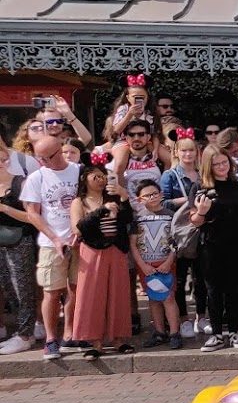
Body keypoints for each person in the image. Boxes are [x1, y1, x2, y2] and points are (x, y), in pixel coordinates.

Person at [20, 135, 79, 361]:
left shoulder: (78, 170)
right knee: (52, 292)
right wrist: (55, 239)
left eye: (48, 157)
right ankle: (50, 339)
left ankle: (69, 333)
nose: (44, 161)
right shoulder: (37, 178)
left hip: (78, 241)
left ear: (60, 151)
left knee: (75, 289)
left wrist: (79, 231)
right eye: (40, 158)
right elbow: (32, 213)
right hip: (50, 243)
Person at [70, 157, 136, 358]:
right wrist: (101, 211)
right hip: (92, 250)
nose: (101, 180)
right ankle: (94, 342)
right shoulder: (78, 202)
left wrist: (124, 198)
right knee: (91, 296)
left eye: (103, 177)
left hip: (116, 249)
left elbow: (128, 220)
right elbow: (78, 229)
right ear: (84, 179)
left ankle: (118, 339)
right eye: (96, 176)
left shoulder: (113, 198)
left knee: (118, 293)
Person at [190, 146, 238, 351]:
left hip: (236, 244)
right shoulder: (200, 187)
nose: (221, 167)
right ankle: (216, 334)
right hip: (210, 246)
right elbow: (195, 222)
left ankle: (234, 332)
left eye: (224, 162)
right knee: (213, 290)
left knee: (233, 289)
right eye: (216, 164)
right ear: (208, 166)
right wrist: (201, 212)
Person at [161, 131, 206, 338]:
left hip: (202, 229)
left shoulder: (203, 173)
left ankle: (201, 316)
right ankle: (183, 318)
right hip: (180, 232)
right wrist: (189, 200)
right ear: (176, 152)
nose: (188, 154)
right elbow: (163, 203)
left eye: (191, 149)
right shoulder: (170, 175)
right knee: (179, 278)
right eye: (184, 150)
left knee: (201, 277)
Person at [0, 120, 39, 354]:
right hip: (1, 243)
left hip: (20, 240)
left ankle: (26, 335)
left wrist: (5, 209)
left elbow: (31, 216)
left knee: (23, 287)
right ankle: (20, 332)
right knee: (9, 288)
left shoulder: (19, 182)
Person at [131, 181, 182, 349]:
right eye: (147, 195)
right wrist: (142, 265)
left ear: (161, 194)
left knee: (168, 297)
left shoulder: (170, 215)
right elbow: (133, 244)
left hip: (165, 263)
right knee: (153, 298)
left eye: (155, 193)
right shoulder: (137, 218)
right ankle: (159, 332)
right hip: (146, 265)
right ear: (139, 199)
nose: (152, 197)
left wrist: (169, 261)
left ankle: (175, 332)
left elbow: (177, 241)